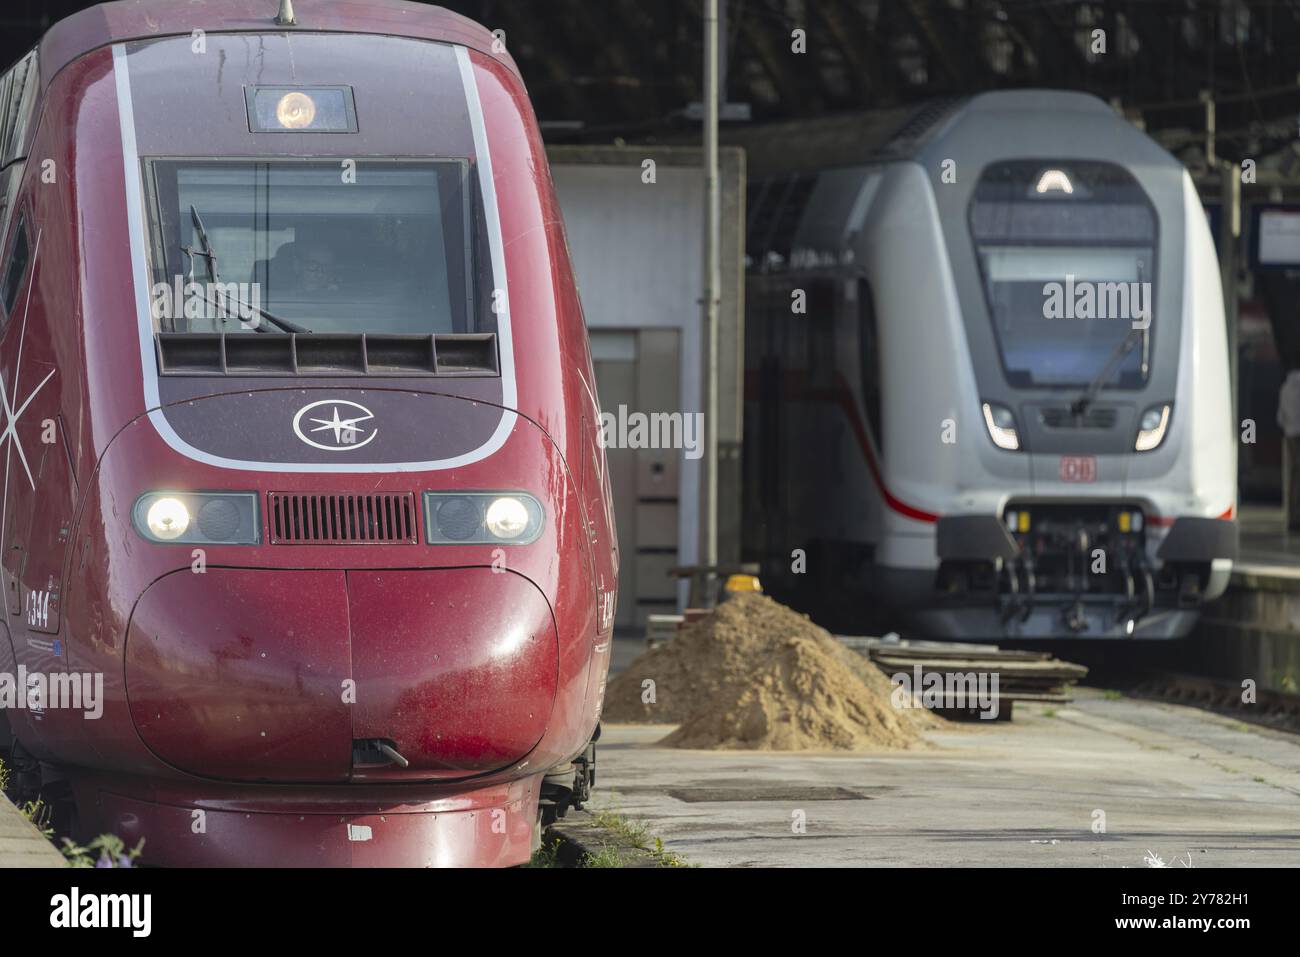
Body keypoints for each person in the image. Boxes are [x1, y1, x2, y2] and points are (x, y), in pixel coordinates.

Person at [1277, 369, 1300, 529]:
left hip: (1290, 435)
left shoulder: (1284, 388)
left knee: (1293, 474)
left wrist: (1288, 428)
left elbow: (1279, 417)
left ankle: (1292, 517)